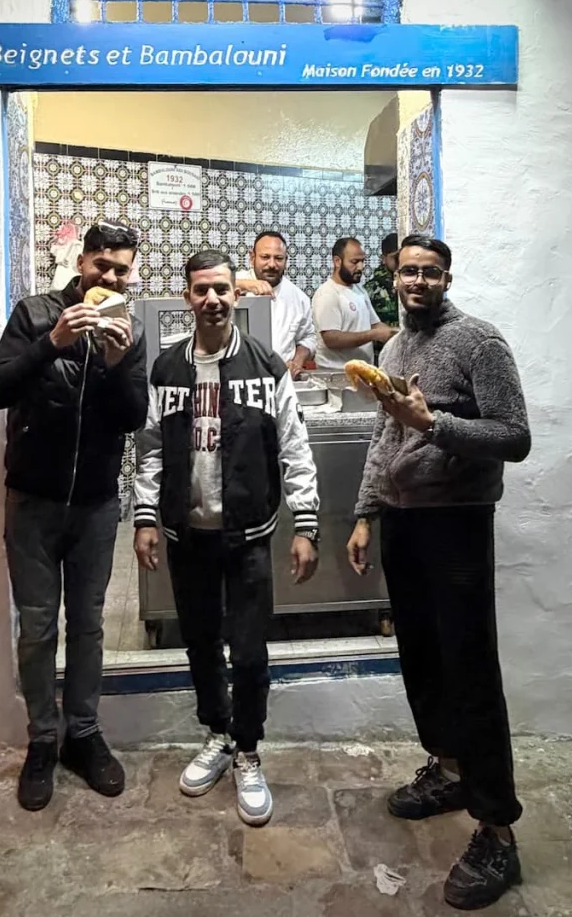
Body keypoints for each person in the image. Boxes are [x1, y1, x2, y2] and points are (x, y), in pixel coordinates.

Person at [346, 234, 531, 910]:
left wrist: (438, 422)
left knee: (470, 668)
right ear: (395, 277)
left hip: (456, 522)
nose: (417, 281)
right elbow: (385, 435)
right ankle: (450, 769)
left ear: (447, 277)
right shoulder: (394, 346)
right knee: (422, 658)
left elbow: (515, 434)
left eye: (430, 272)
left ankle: (497, 829)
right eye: (408, 271)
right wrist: (365, 512)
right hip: (404, 521)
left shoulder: (478, 342)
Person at [133, 249, 320, 827]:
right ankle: (216, 732)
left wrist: (306, 522)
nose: (212, 299)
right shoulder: (166, 369)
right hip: (188, 536)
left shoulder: (266, 365)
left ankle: (248, 749)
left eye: (221, 289)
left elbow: (293, 443)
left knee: (249, 648)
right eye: (200, 290)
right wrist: (144, 516)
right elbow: (150, 447)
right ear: (187, 296)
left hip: (249, 536)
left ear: (236, 296)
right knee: (200, 643)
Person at [0, 220, 148, 812]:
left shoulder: (130, 327)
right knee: (36, 627)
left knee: (89, 625)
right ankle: (41, 740)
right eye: (101, 265)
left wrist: (113, 363)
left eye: (120, 269)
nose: (109, 277)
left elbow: (133, 418)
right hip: (32, 499)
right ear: (82, 262)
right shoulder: (35, 314)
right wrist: (50, 342)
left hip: (98, 503)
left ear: (130, 274)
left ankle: (82, 733)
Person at [236, 230, 316, 380]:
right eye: (265, 257)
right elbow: (204, 287)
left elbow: (308, 337)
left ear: (286, 260)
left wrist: (297, 361)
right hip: (239, 377)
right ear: (252, 257)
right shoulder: (235, 282)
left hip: (281, 379)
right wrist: (244, 285)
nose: (272, 264)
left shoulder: (299, 298)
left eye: (278, 258)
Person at [312, 236, 395, 370]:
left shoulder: (359, 290)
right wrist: (374, 335)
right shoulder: (328, 293)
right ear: (337, 261)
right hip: (336, 374)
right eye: (355, 262)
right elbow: (331, 339)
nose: (360, 267)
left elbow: (375, 324)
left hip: (363, 372)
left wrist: (396, 333)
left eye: (362, 261)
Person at [364, 232, 400, 329]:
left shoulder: (413, 282)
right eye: (396, 257)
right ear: (384, 259)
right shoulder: (371, 288)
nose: (400, 261)